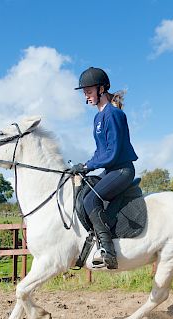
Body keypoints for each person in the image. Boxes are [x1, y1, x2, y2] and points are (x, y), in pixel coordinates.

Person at [70, 67, 138, 269]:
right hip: (110, 170)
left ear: (102, 89)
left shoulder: (113, 114)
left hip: (122, 170)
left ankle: (107, 250)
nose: (86, 96)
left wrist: (88, 166)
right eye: (85, 92)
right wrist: (84, 166)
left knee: (92, 199)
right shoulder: (98, 117)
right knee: (86, 192)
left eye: (89, 91)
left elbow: (113, 152)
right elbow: (100, 152)